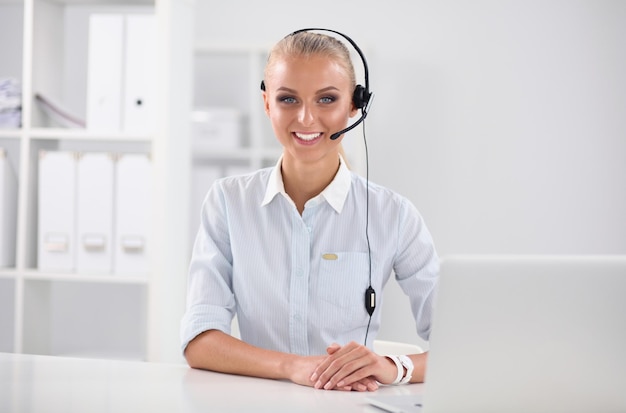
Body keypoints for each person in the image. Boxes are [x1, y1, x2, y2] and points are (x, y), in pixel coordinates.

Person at [181, 29, 439, 392]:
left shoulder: (392, 215)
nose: (305, 118)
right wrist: (293, 367)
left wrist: (391, 367)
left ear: (355, 106)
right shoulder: (228, 201)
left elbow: (461, 344)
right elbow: (199, 340)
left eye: (326, 99)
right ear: (267, 103)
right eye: (288, 99)